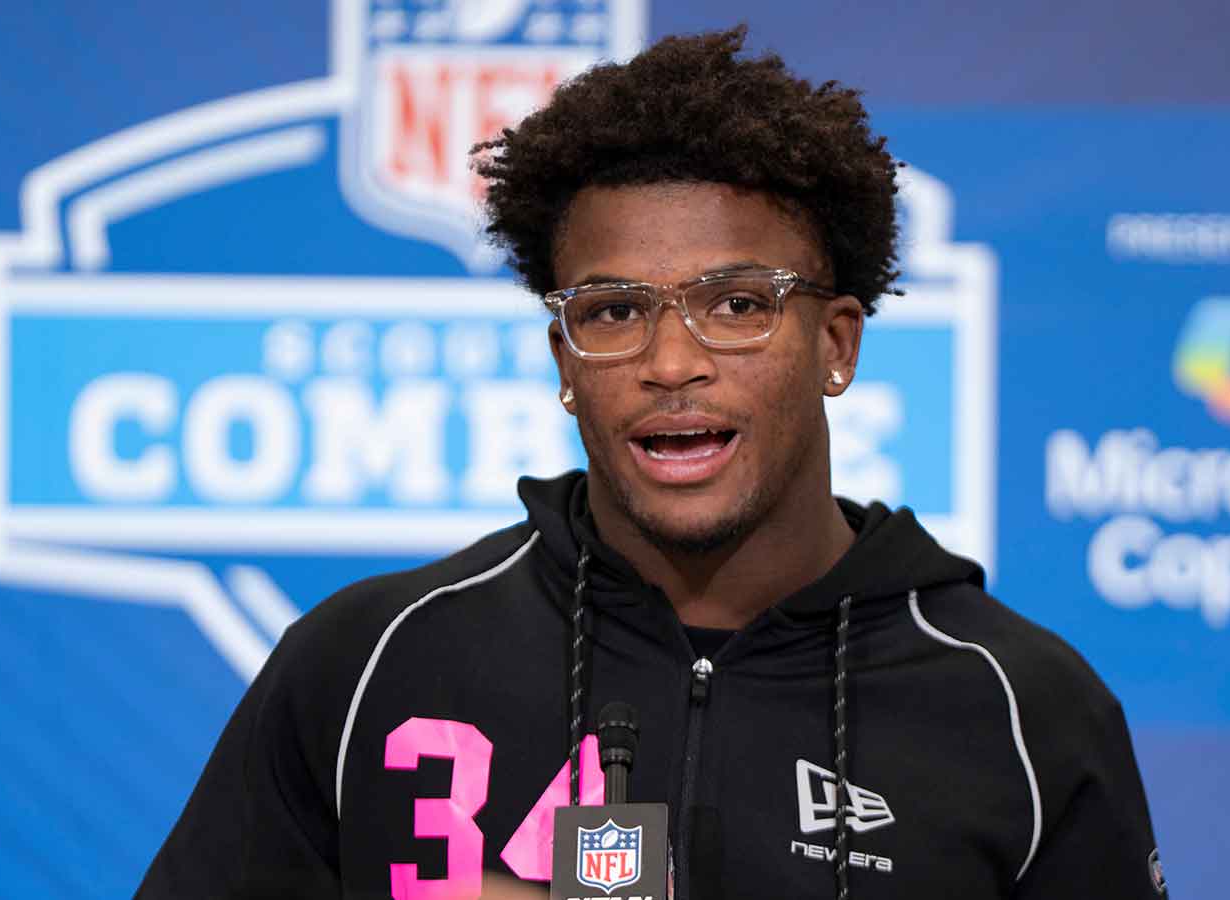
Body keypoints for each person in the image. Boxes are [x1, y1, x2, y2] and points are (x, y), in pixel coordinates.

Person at [137, 27, 1166, 900]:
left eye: (738, 304)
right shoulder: (367, 660)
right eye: (614, 311)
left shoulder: (1020, 709)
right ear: (564, 363)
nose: (671, 363)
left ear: (836, 344)